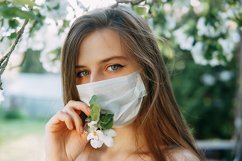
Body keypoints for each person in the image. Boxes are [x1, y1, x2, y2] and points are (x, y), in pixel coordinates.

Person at [44, 5, 204, 161]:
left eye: (113, 67)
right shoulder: (73, 156)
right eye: (83, 73)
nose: (94, 86)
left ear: (148, 70)